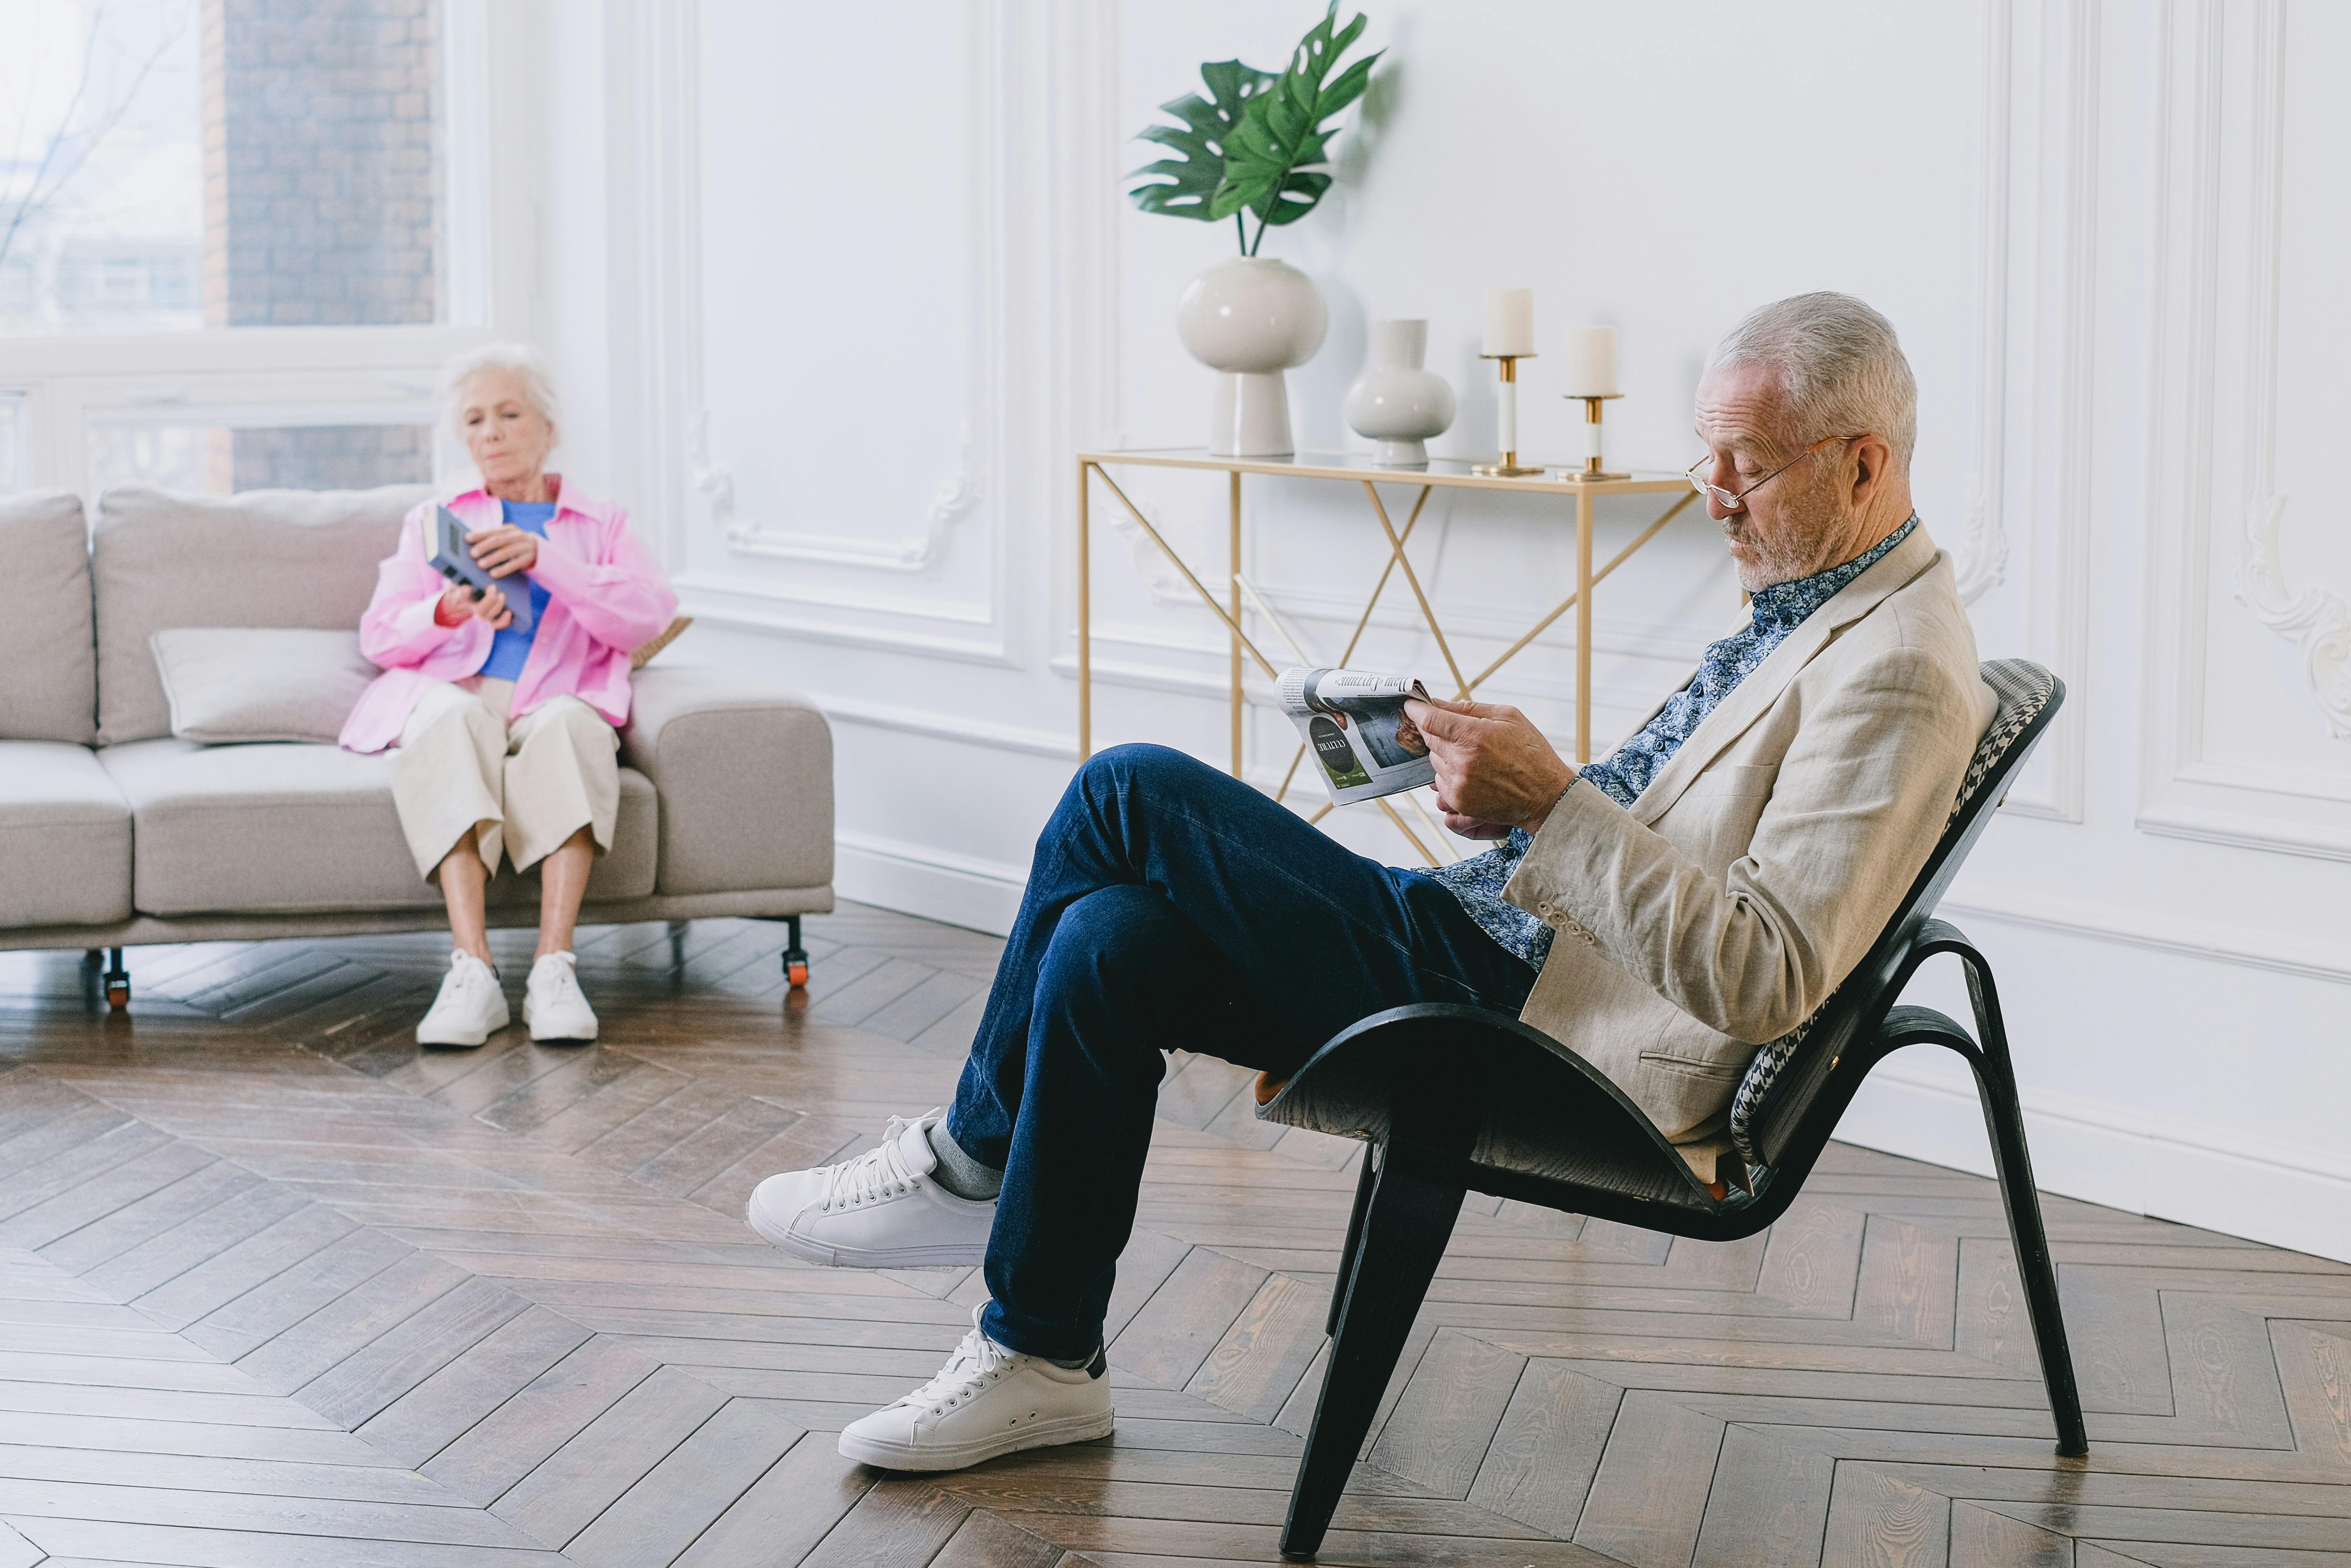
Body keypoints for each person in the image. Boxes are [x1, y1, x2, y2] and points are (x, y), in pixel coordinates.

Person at [748, 292, 1994, 1474]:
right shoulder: (1813, 597)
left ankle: (968, 1161)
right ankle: (1043, 1354)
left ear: (1861, 465)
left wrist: (1548, 806)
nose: (1712, 499)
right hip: (1493, 934)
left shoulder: (1898, 669)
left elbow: (1762, 974)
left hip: (1531, 1026)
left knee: (1124, 789)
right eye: (1704, 459)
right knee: (1107, 940)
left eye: (1747, 466)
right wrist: (1481, 765)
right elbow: (1674, 819)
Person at [339, 344, 678, 1049]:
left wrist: (545, 560)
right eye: (474, 419)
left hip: (556, 693)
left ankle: (554, 968)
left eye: (508, 412)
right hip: (457, 690)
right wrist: (448, 611)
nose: (490, 431)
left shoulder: (600, 523)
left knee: (574, 730)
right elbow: (379, 634)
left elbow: (648, 612)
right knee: (452, 720)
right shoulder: (436, 518)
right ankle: (474, 972)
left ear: (547, 429)